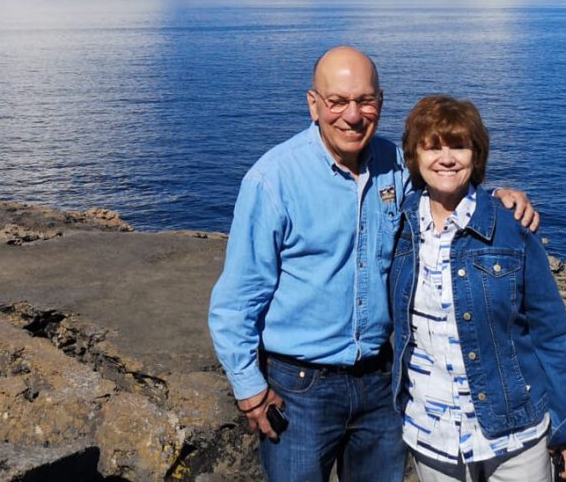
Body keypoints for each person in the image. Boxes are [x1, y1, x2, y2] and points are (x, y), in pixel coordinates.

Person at [208, 47, 539, 482]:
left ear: (380, 103)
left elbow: (447, 186)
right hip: (300, 388)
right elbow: (237, 299)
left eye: (365, 101)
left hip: (383, 384)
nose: (352, 115)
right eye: (337, 102)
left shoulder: (396, 165)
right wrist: (250, 390)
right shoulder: (274, 180)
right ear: (313, 105)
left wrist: (497, 199)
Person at [390, 95, 566, 482]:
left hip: (515, 435)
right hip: (431, 435)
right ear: (414, 155)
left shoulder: (510, 226)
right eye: (433, 146)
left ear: (476, 155)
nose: (446, 158)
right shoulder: (397, 227)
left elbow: (551, 333)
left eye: (458, 146)